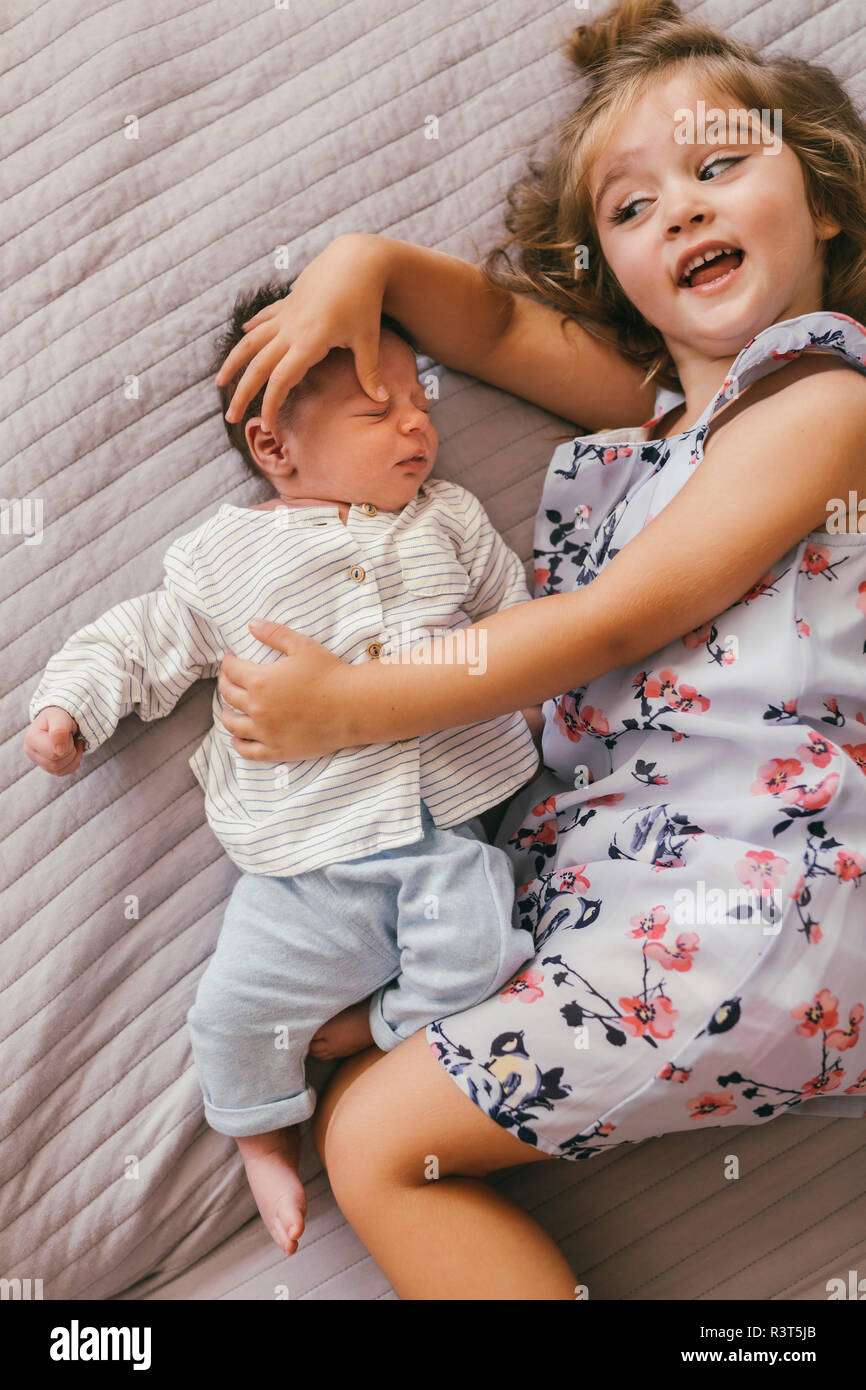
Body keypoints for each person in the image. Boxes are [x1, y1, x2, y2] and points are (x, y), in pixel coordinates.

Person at [211, 0, 866, 1299]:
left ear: (828, 207)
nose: (677, 209)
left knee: (377, 1138)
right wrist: (363, 266)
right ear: (608, 272)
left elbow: (616, 620)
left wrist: (357, 701)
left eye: (719, 165)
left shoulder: (827, 402)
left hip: (767, 903)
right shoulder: (661, 414)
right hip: (660, 909)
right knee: (360, 1083)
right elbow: (501, 334)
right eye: (630, 208)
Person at [23, 287, 547, 1259]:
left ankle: (364, 1030)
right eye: (376, 409)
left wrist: (530, 697)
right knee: (228, 1011)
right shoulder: (227, 554)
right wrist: (70, 706)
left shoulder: (451, 519)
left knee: (484, 953)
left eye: (420, 400)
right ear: (274, 448)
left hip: (451, 839)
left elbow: (518, 621)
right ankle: (263, 1135)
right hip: (311, 867)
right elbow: (143, 639)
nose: (416, 421)